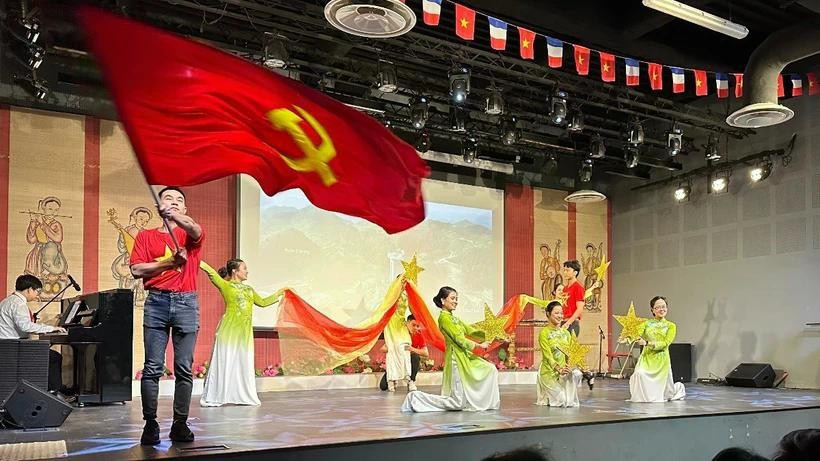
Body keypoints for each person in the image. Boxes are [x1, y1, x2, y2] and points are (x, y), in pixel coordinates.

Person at [130, 187, 204, 445]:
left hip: (186, 302)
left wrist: (175, 218)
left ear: (184, 209)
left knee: (183, 368)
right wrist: (168, 264)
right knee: (152, 368)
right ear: (157, 206)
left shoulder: (189, 235)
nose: (174, 202)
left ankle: (179, 424)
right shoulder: (145, 236)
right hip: (157, 302)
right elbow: (137, 269)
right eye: (168, 199)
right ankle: (150, 424)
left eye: (179, 200)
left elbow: (195, 229)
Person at [199, 259, 284, 407]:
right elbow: (211, 272)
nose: (247, 271)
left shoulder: (249, 290)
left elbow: (263, 302)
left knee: (242, 363)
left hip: (244, 334)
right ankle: (217, 396)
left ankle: (241, 395)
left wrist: (279, 293)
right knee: (225, 362)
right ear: (235, 271)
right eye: (244, 268)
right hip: (228, 332)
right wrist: (194, 258)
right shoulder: (226, 285)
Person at [401, 286, 499, 412]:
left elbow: (471, 331)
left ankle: (477, 402)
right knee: (457, 403)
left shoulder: (454, 319)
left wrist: (494, 336)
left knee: (490, 369)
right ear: (443, 300)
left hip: (464, 356)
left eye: (456, 298)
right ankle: (415, 398)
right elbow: (459, 339)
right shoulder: (444, 318)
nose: (455, 301)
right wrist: (479, 346)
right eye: (452, 298)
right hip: (455, 359)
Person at [0, 274, 67, 391]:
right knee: (55, 357)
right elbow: (26, 326)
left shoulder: (7, 301)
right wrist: (51, 328)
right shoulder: (19, 303)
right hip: (13, 348)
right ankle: (54, 391)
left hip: (6, 345)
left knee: (48, 352)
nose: (37, 295)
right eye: (37, 291)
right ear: (29, 289)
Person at [628, 296, 685, 403]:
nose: (661, 309)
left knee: (668, 392)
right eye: (658, 307)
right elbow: (636, 333)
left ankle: (675, 390)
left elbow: (665, 343)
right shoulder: (646, 323)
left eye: (663, 307)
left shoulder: (671, 326)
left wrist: (647, 343)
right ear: (652, 310)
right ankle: (644, 397)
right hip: (647, 357)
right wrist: (633, 336)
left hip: (661, 358)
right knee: (639, 373)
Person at [536, 301, 582, 407]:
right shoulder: (544, 333)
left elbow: (570, 353)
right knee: (561, 401)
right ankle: (547, 395)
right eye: (556, 313)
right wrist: (558, 368)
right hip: (549, 372)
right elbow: (547, 356)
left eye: (561, 313)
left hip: (564, 371)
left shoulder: (566, 333)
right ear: (548, 314)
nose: (560, 316)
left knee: (569, 402)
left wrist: (569, 366)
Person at [380, 314, 429, 392]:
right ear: (407, 322)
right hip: (397, 360)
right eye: (413, 325)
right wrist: (392, 348)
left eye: (417, 326)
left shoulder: (419, 334)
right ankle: (393, 379)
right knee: (383, 386)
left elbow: (426, 353)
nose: (416, 328)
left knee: (415, 356)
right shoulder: (398, 333)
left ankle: (411, 381)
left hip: (409, 360)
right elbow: (382, 349)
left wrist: (411, 349)